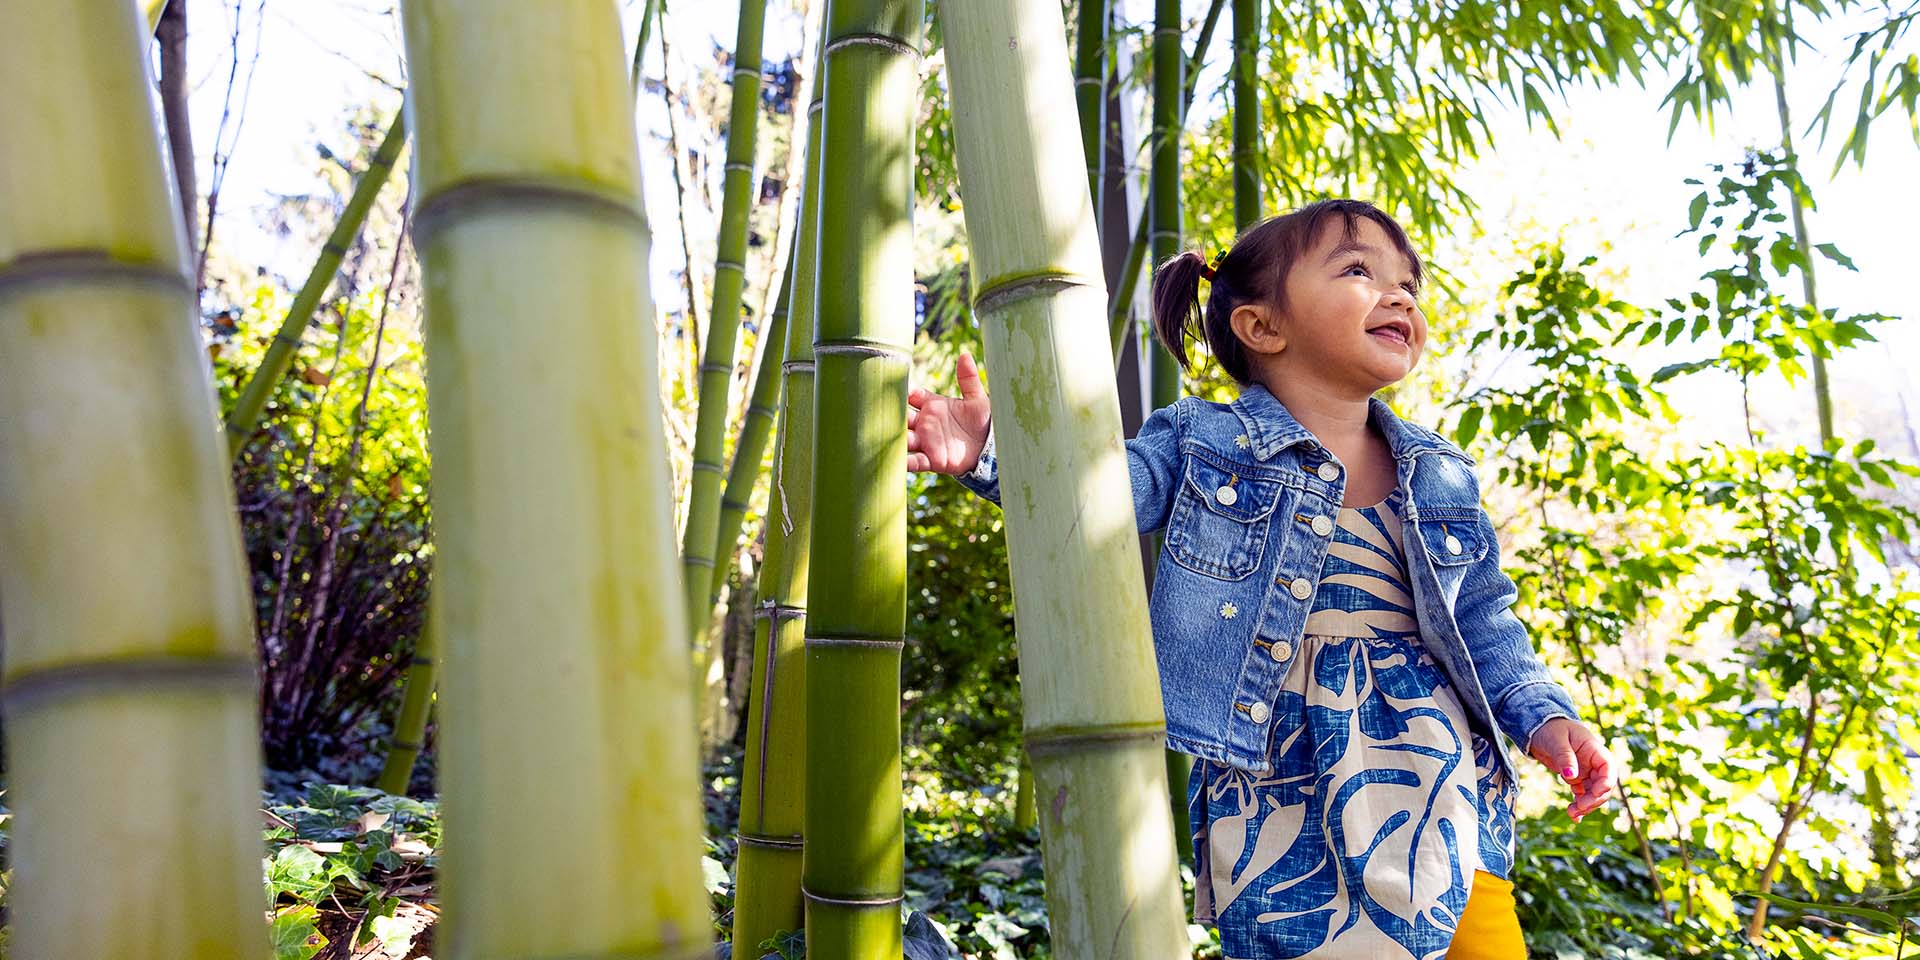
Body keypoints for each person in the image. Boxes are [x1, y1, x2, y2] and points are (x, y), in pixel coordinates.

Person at [905, 199, 1616, 959]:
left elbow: (1484, 617)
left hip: (1441, 782)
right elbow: (1099, 493)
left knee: (1481, 947)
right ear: (1262, 326)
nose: (1400, 293)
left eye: (1407, 281)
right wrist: (990, 451)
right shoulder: (1203, 440)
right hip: (1280, 781)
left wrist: (1544, 716)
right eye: (1357, 270)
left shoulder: (1438, 473)